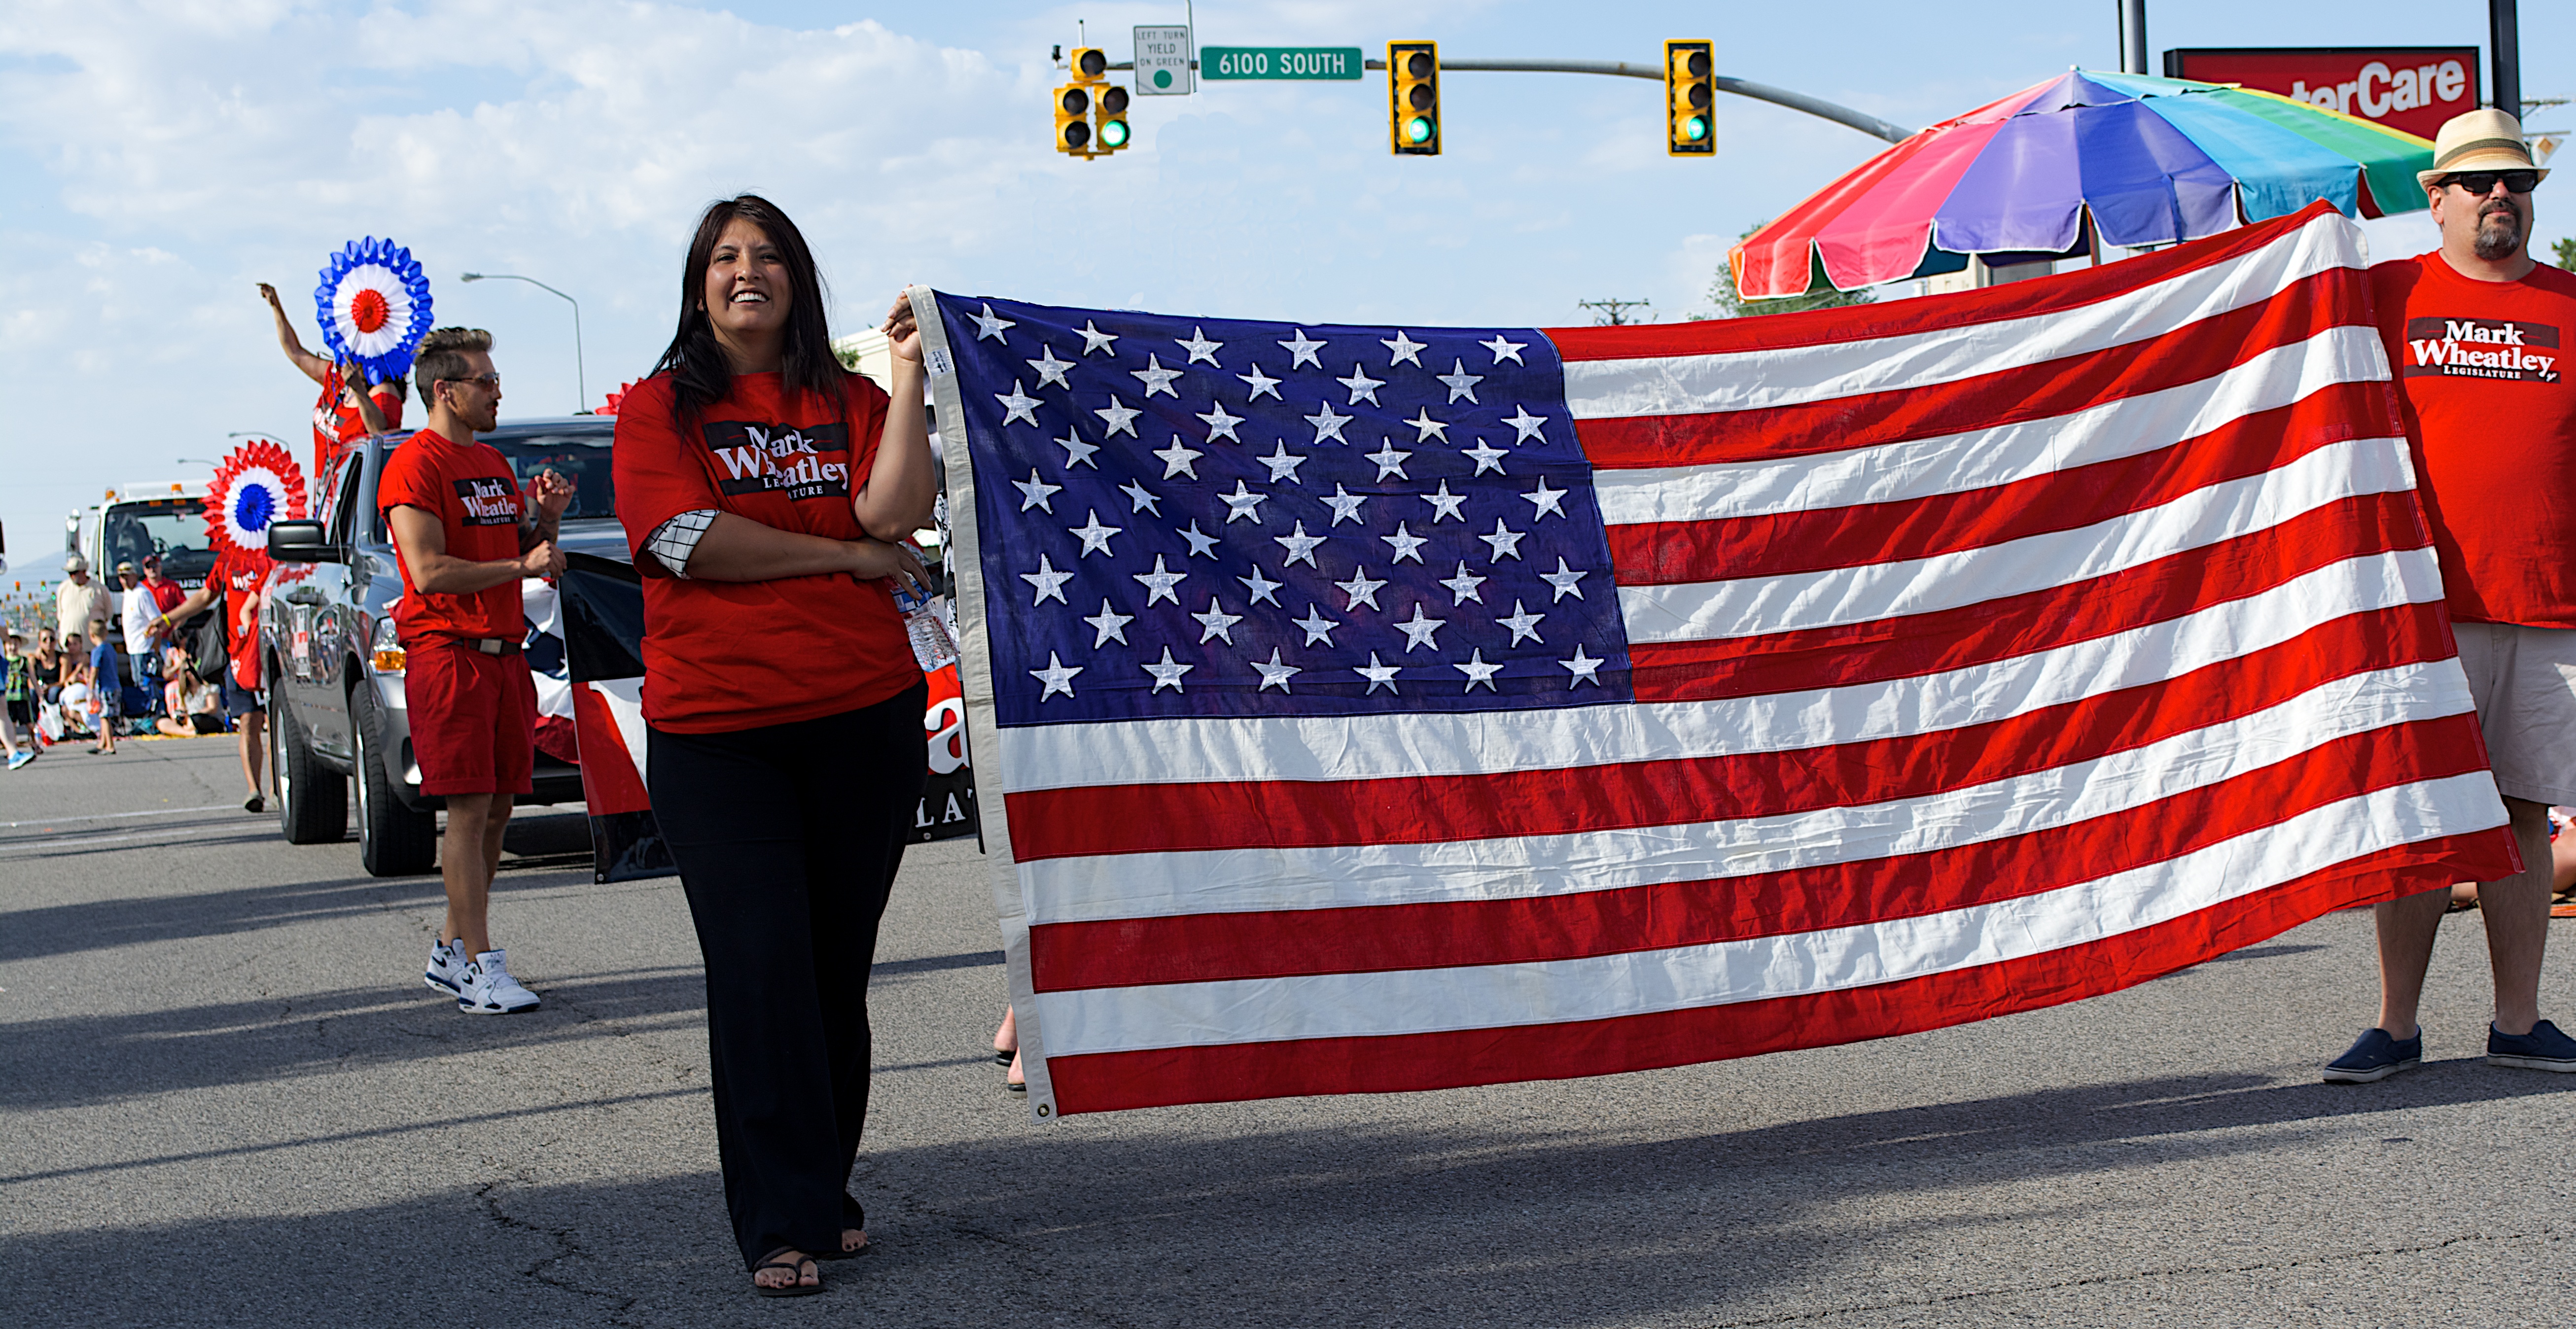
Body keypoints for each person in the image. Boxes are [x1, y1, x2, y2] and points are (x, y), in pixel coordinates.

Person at [613, 195, 934, 1297]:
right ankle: (778, 1220)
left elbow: (893, 513)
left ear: (796, 278)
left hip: (862, 717)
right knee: (759, 971)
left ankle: (822, 1186)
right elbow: (688, 542)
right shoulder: (658, 410)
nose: (746, 271)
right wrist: (841, 558)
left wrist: (906, 382)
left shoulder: (845, 399)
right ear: (698, 284)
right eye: (724, 257)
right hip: (717, 735)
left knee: (831, 971)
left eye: (767, 256)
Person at [2327, 108, 2576, 1083]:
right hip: (2421, 604)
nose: (2497, 198)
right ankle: (2393, 1025)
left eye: (2512, 182)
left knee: (2519, 811)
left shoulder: (2568, 304)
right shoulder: (2379, 296)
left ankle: (2516, 1020)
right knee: (2423, 817)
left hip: (2550, 601)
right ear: (2432, 198)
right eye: (2475, 183)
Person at [380, 325, 572, 1017]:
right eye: (485, 382)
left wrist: (544, 523)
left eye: (495, 380)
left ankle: (449, 951)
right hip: (449, 657)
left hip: (504, 656)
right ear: (445, 390)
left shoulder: (490, 462)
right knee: (466, 811)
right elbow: (429, 572)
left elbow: (517, 551)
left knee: (498, 809)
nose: (497, 392)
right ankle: (482, 969)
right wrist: (520, 565)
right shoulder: (414, 465)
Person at [155, 536, 281, 811]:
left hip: (274, 653)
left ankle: (277, 789)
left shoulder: (274, 551)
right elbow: (204, 596)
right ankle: (254, 790)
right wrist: (168, 619)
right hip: (239, 656)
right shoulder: (229, 557)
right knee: (248, 721)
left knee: (275, 722)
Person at [259, 281, 407, 484]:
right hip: (327, 495)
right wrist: (276, 307)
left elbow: (380, 435)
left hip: (354, 501)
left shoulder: (384, 390)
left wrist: (359, 391)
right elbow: (296, 353)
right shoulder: (337, 376)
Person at [116, 560, 161, 715]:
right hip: (133, 648)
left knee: (147, 685)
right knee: (138, 685)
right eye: (121, 578)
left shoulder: (143, 594)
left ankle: (153, 714)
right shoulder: (128, 593)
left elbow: (157, 621)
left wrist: (154, 648)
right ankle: (144, 713)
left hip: (144, 648)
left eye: (127, 577)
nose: (124, 581)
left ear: (135, 575)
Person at [156, 646, 227, 737]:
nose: (189, 674)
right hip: (189, 719)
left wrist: (192, 715)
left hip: (206, 718)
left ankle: (182, 730)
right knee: (161, 721)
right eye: (186, 671)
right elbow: (182, 707)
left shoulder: (209, 686)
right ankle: (188, 733)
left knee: (194, 720)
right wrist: (180, 715)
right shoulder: (183, 690)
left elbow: (212, 708)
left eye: (190, 671)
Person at [53, 556, 109, 661]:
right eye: (70, 573)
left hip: (92, 647)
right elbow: (60, 615)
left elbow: (108, 614)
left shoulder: (99, 589)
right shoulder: (63, 588)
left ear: (84, 572)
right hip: (69, 649)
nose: (72, 576)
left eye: (75, 573)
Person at [82, 620, 121, 755]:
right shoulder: (110, 648)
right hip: (115, 685)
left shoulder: (97, 651)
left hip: (105, 688)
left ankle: (110, 745)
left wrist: (91, 691)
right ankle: (102, 743)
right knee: (104, 715)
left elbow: (94, 672)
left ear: (91, 635)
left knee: (105, 717)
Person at [3, 630, 36, 770]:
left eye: (15, 644)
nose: (13, 647)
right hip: (8, 697)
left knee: (28, 723)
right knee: (10, 723)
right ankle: (13, 748)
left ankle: (34, 743)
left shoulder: (24, 661)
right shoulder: (4, 661)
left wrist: (39, 693)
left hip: (22, 696)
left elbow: (33, 678)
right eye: (10, 643)